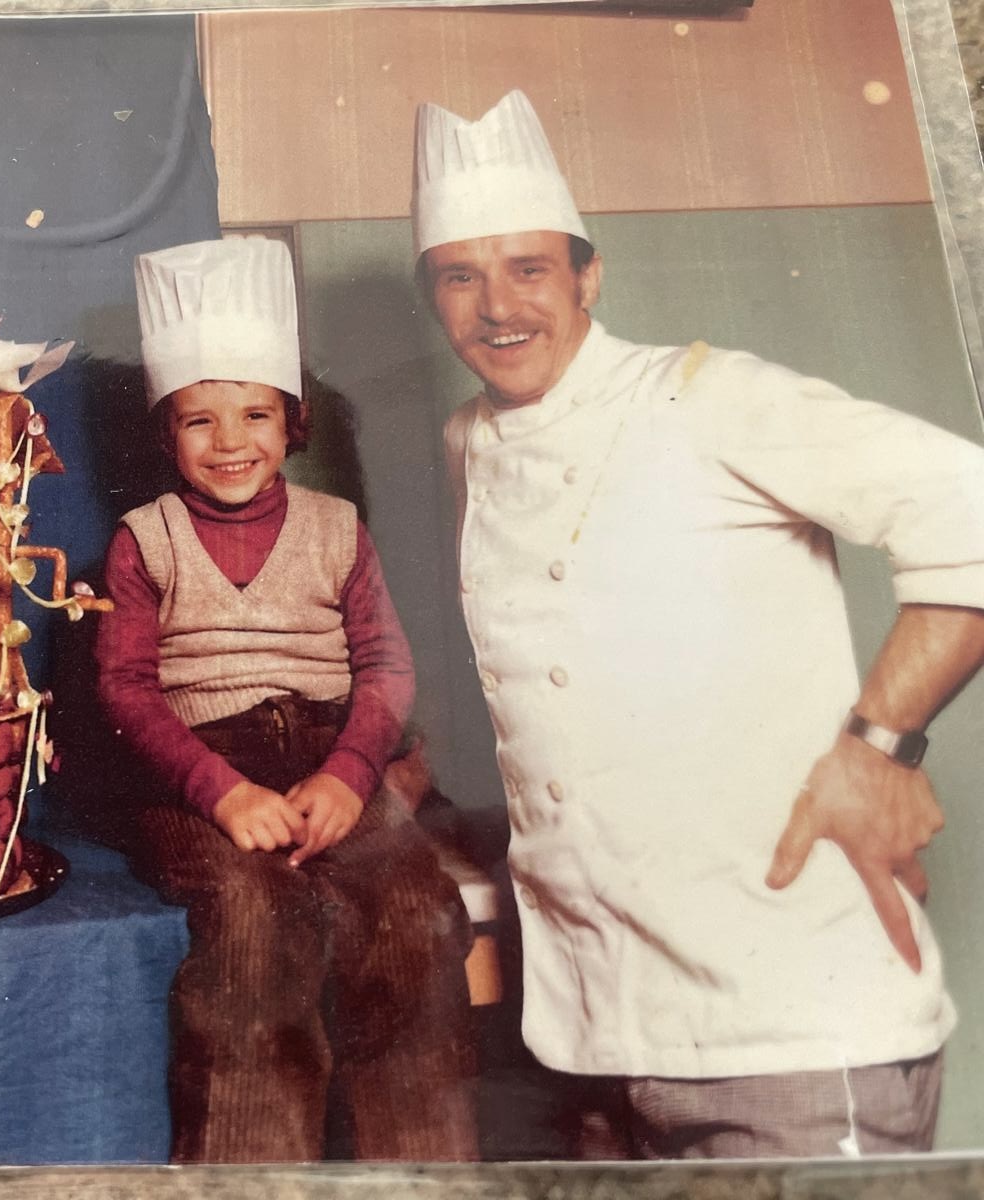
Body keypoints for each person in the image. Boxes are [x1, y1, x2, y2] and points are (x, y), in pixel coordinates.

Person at [411, 89, 984, 1158]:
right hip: (597, 1034)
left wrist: (880, 747)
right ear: (433, 297)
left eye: (528, 268)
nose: (497, 306)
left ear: (588, 275)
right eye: (460, 275)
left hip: (792, 1033)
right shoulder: (467, 441)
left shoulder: (708, 397)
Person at [94, 237, 478, 1163]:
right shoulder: (144, 540)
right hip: (198, 771)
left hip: (330, 757)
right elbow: (125, 689)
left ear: (292, 421)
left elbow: (386, 669)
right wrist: (222, 792)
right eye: (200, 421)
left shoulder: (337, 529)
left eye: (256, 414)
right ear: (165, 431)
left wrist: (350, 777)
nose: (231, 443)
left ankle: (420, 1175)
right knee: (254, 919)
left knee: (410, 914)